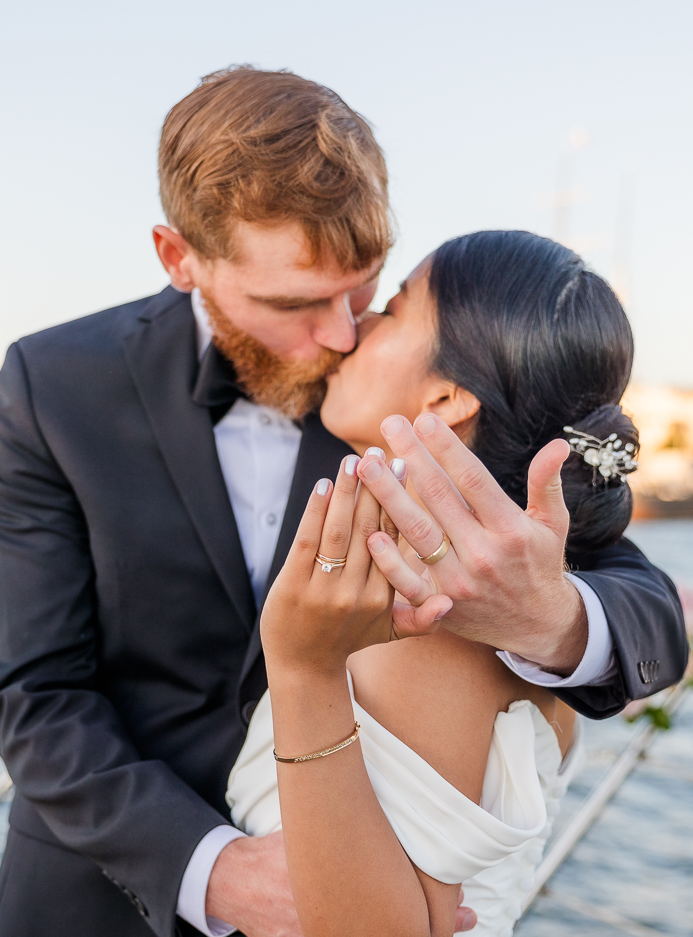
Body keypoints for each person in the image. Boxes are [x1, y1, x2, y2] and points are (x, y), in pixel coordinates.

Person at [0, 67, 686, 937]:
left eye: (364, 287)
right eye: (293, 303)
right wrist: (209, 870)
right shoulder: (53, 382)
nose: (339, 334)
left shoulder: (422, 377)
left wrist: (551, 620)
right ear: (180, 258)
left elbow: (637, 599)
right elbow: (35, 690)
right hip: (94, 903)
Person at [224, 230, 688, 937]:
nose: (358, 323)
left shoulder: (434, 616)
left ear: (444, 397)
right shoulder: (458, 583)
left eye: (395, 307)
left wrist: (301, 667)